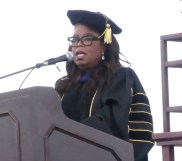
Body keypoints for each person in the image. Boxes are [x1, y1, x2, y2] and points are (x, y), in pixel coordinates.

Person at [55, 9, 154, 161]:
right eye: (74, 40)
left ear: (104, 45)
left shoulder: (121, 77)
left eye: (87, 39)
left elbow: (114, 122)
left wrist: (69, 138)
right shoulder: (64, 87)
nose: (78, 45)